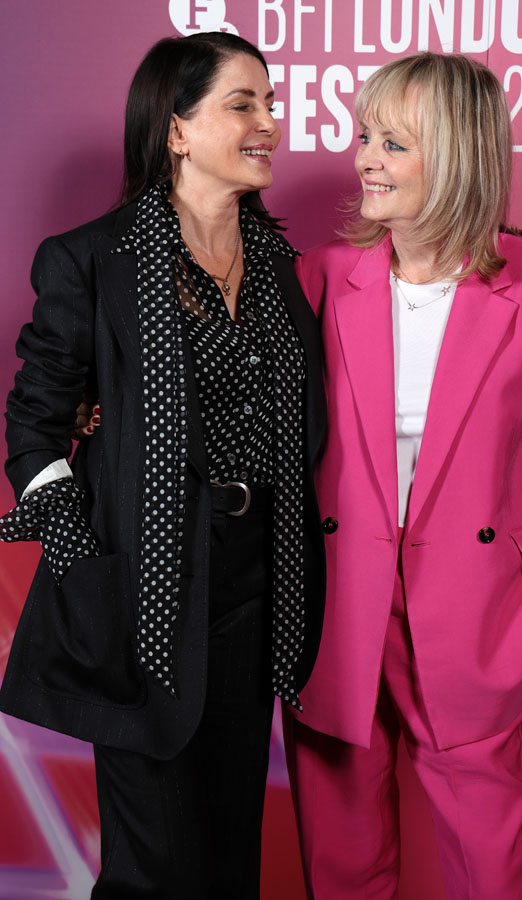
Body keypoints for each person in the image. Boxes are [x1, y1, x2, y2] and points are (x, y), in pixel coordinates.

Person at [0, 31, 325, 900]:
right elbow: (33, 429)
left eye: (270, 104)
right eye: (243, 104)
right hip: (142, 592)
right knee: (154, 872)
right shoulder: (91, 259)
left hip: (256, 587)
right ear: (176, 128)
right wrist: (83, 561)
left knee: (229, 860)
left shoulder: (279, 266)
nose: (269, 123)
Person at [283, 52, 522, 900]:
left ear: (459, 154)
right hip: (336, 608)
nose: (365, 160)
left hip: (477, 613)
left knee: (490, 864)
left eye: (392, 144)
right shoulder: (320, 275)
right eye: (365, 137)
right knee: (343, 861)